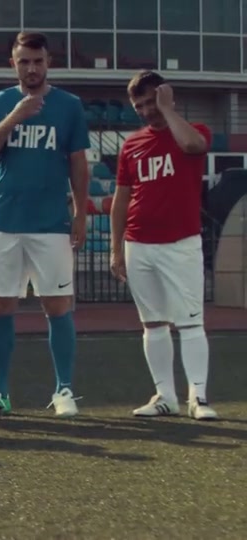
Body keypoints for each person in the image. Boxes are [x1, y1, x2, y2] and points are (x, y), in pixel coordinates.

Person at [0, 32, 89, 419]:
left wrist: (81, 213)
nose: (31, 68)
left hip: (51, 222)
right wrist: (15, 116)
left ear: (48, 62)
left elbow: (78, 163)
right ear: (13, 64)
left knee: (57, 305)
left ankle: (64, 389)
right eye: (24, 61)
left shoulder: (69, 105)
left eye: (37, 61)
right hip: (6, 219)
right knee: (1, 305)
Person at [111, 71, 217, 421]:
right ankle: (165, 396)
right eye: (138, 106)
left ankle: (198, 397)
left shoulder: (194, 130)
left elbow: (193, 147)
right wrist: (116, 248)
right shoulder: (131, 145)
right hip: (139, 245)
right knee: (153, 324)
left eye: (150, 102)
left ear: (164, 96)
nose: (145, 111)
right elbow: (121, 199)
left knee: (190, 322)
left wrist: (168, 109)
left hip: (181, 243)